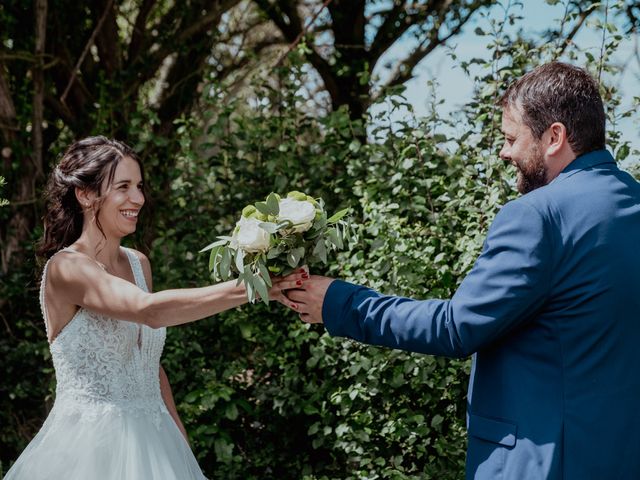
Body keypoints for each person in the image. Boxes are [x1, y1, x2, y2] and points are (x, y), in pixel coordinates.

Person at [285, 62, 640, 479]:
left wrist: (339, 303)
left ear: (554, 137)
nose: (504, 152)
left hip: (540, 463)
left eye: (511, 138)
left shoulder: (538, 217)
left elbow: (455, 328)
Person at [3, 136, 304, 480]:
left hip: (157, 444)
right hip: (88, 451)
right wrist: (252, 286)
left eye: (140, 186)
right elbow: (148, 310)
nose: (138, 199)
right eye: (123, 187)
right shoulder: (67, 267)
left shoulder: (138, 264)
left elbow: (148, 369)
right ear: (85, 195)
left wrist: (182, 448)